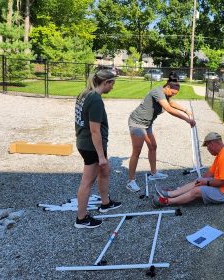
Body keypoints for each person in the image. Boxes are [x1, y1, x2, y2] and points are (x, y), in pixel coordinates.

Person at [126, 76, 196, 192]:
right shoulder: (157, 92)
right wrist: (186, 119)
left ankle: (153, 173)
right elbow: (168, 108)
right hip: (137, 123)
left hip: (147, 124)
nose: (172, 95)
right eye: (172, 93)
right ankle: (131, 181)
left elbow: (171, 103)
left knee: (153, 146)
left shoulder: (165, 94)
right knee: (136, 152)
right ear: (167, 87)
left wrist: (185, 110)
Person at [74, 69, 122, 229]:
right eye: (112, 84)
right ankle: (81, 219)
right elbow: (95, 130)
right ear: (106, 82)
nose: (113, 87)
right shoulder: (95, 99)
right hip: (91, 146)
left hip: (86, 143)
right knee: (87, 182)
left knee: (105, 171)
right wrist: (101, 156)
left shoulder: (84, 93)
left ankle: (105, 203)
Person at [151, 132, 224, 208]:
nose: (208, 150)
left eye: (207, 147)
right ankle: (170, 194)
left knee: (197, 191)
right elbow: (209, 174)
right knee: (199, 181)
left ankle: (167, 201)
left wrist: (206, 183)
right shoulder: (222, 153)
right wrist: (200, 181)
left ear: (212, 144)